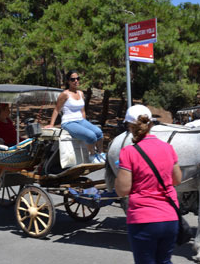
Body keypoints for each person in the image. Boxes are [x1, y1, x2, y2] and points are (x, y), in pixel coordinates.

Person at [115, 104, 182, 264]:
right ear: (150, 124)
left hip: (144, 220)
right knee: (164, 261)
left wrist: (120, 172)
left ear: (130, 127)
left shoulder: (129, 152)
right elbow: (177, 179)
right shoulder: (168, 148)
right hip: (170, 218)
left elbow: (122, 190)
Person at [44, 70, 104, 163]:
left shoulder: (81, 93)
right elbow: (56, 109)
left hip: (80, 121)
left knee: (99, 133)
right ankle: (92, 156)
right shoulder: (64, 94)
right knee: (91, 136)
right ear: (68, 81)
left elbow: (82, 110)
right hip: (69, 122)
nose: (76, 81)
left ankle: (101, 153)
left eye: (77, 78)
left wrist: (84, 123)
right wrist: (51, 124)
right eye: (73, 79)